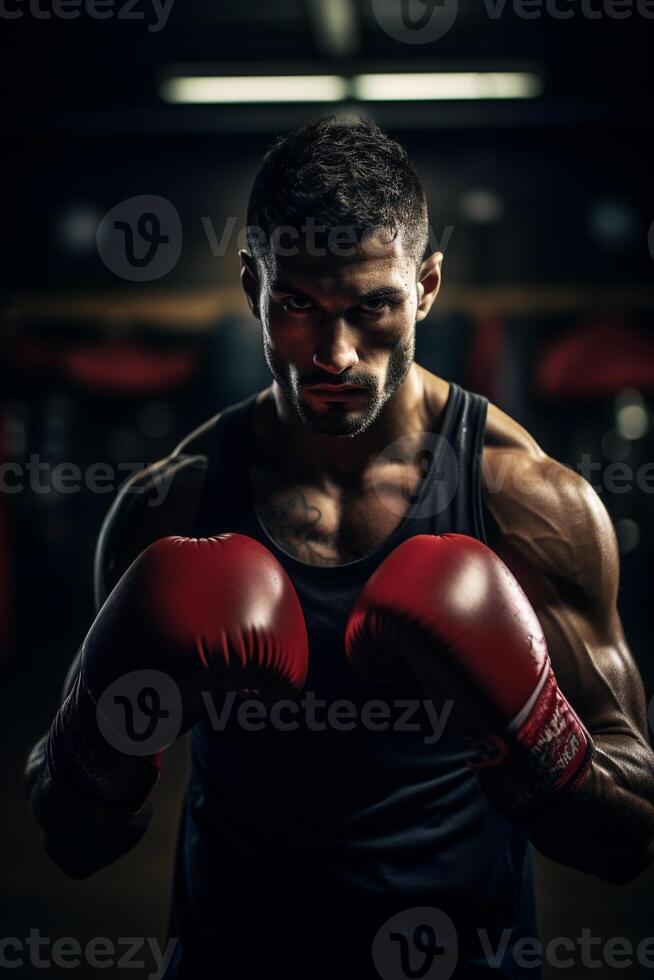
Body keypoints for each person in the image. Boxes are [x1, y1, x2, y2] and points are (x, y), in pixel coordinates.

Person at [25, 116, 654, 979]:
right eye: (298, 305)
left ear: (427, 286)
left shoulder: (526, 501)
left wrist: (533, 734)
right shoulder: (169, 506)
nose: (335, 353)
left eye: (373, 306)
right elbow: (75, 840)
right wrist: (106, 749)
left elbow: (629, 835)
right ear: (251, 285)